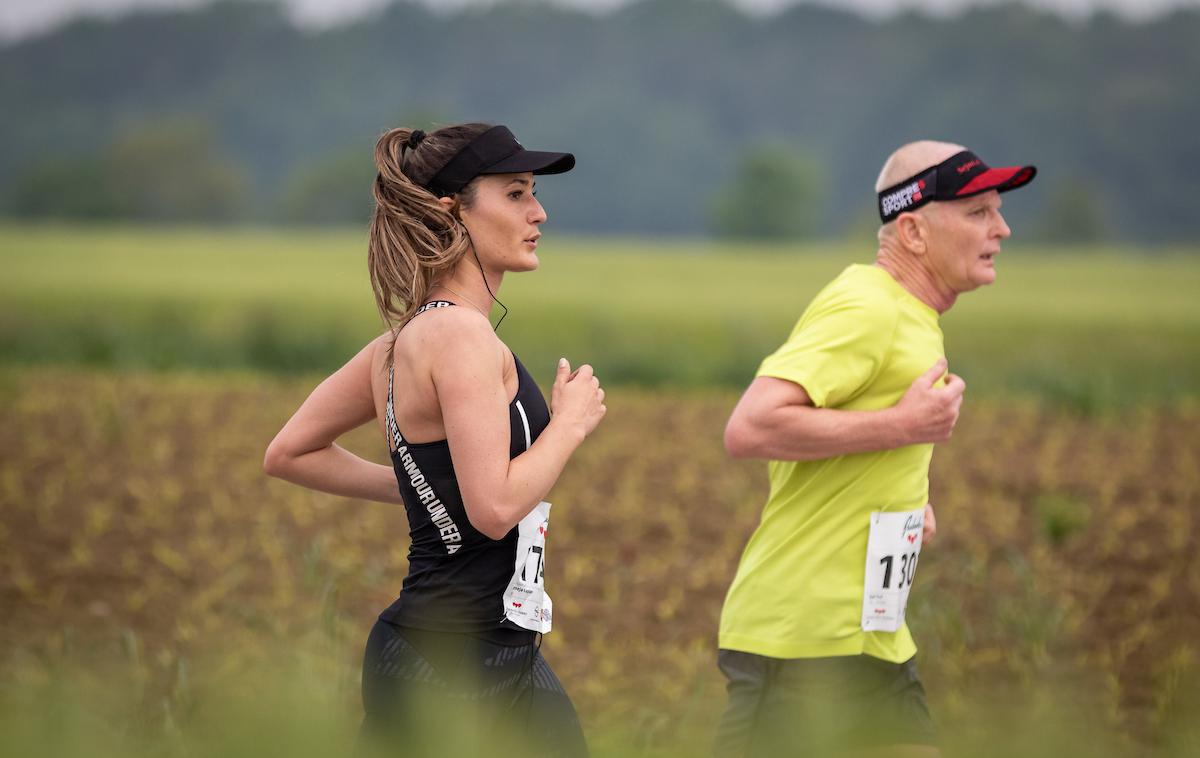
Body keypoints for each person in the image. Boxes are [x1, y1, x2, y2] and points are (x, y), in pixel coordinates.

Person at [263, 122, 605, 757]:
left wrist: (428, 494)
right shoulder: (462, 339)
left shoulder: (398, 343)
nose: (539, 211)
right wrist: (569, 426)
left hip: (475, 651)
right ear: (452, 211)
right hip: (452, 663)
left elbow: (290, 452)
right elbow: (496, 509)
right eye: (516, 193)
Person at [714, 141, 1036, 756]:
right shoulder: (868, 306)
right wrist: (903, 428)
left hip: (873, 637)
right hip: (801, 640)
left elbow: (854, 423)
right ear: (913, 230)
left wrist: (905, 493)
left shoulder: (911, 314)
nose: (1002, 228)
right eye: (978, 212)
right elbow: (750, 428)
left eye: (998, 210)